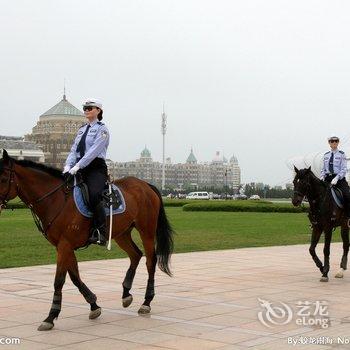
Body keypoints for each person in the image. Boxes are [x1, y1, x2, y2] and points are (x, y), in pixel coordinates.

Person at [63, 98, 110, 245]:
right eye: (85, 108)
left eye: (90, 108)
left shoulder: (102, 129)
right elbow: (73, 150)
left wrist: (78, 166)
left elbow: (94, 151)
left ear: (98, 110)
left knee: (94, 195)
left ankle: (101, 232)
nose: (87, 110)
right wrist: (67, 166)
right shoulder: (81, 130)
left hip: (95, 168)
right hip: (78, 167)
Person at [320, 136, 350, 225]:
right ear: (329, 143)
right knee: (317, 195)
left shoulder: (341, 154)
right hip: (327, 179)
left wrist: (336, 178)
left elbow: (344, 169)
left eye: (336, 141)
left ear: (338, 142)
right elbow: (323, 169)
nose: (334, 143)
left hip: (339, 179)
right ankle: (316, 219)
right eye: (332, 141)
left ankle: (348, 217)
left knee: (348, 196)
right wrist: (322, 176)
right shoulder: (326, 155)